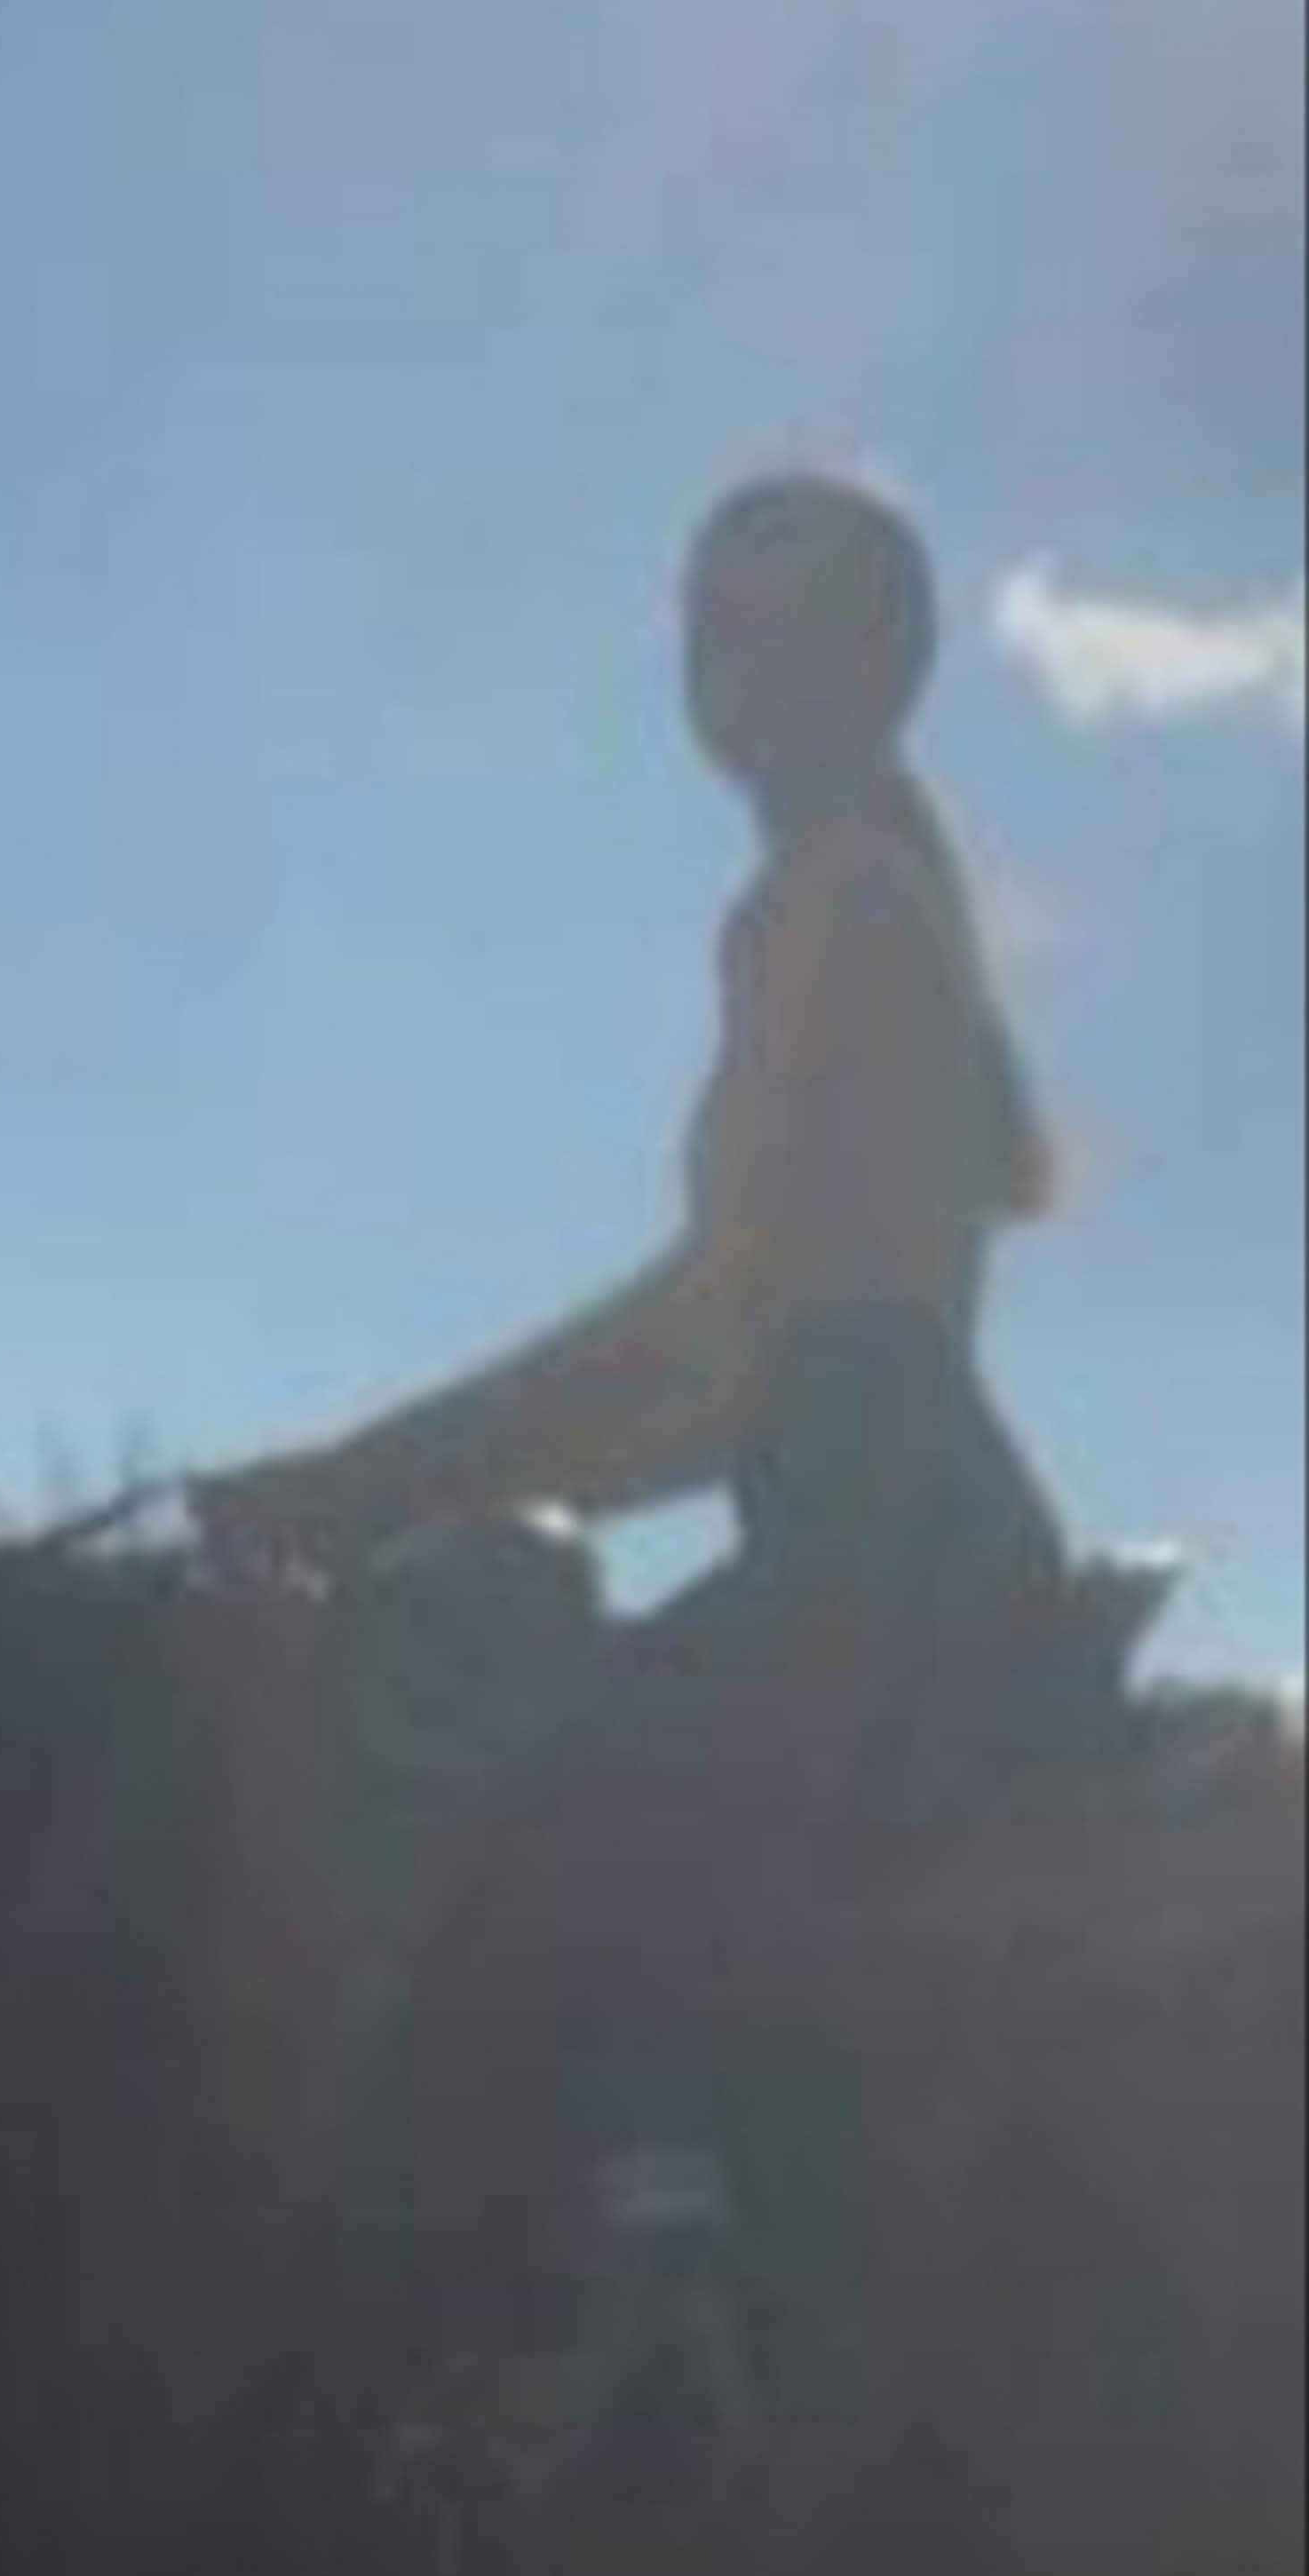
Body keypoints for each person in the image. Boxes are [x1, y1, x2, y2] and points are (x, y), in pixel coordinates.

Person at [193, 475, 1079, 2366]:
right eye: (706, 623)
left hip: (879, 1548)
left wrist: (361, 1481)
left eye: (784, 617)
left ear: (895, 661)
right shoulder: (860, 896)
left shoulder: (828, 900)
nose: (733, 659)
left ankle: (662, 2334)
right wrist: (419, 1493)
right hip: (897, 1516)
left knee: (544, 1843)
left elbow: (712, 1323)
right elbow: (749, 1377)